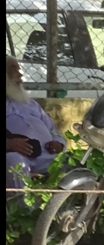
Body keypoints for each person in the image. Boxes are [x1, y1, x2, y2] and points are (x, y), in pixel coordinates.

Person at [6, 56, 65, 193]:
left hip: (47, 155)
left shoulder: (30, 103)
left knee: (74, 163)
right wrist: (9, 144)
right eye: (13, 69)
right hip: (21, 157)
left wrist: (59, 144)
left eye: (19, 69)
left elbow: (53, 131)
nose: (20, 75)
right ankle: (24, 206)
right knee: (13, 160)